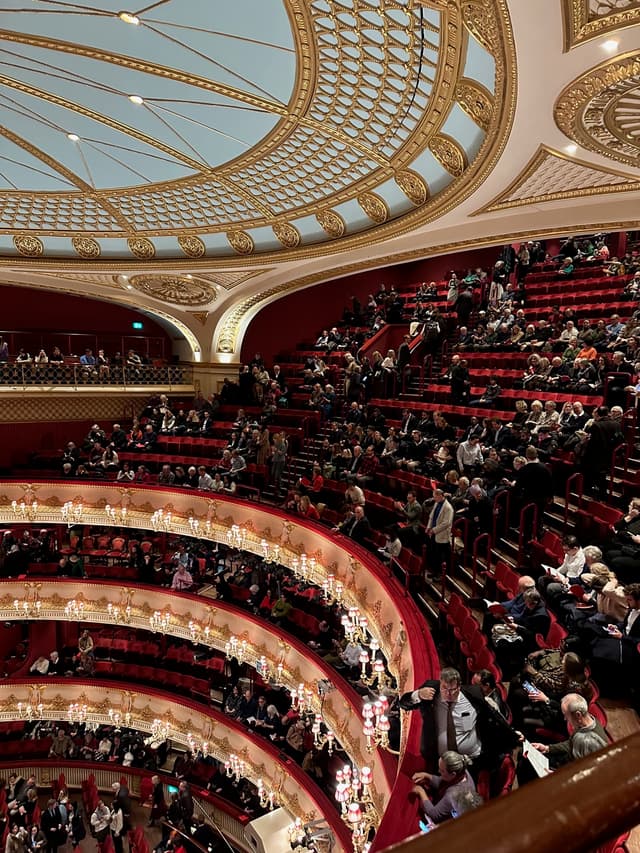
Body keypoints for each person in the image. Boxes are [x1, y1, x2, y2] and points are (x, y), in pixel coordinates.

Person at [399, 667, 519, 773]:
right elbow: (403, 703)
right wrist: (418, 694)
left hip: (471, 761)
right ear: (440, 683)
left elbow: (494, 715)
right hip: (438, 761)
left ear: (459, 686)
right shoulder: (431, 692)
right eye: (445, 688)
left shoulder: (474, 694)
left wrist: (514, 735)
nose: (449, 694)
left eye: (453, 689)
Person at [531, 694, 607, 768]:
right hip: (566, 758)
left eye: (566, 715)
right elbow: (570, 743)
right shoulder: (584, 722)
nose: (565, 719)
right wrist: (547, 748)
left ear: (578, 715)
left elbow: (583, 769)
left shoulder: (591, 743)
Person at [411, 751, 477, 823]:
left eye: (442, 771)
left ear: (453, 774)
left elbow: (434, 814)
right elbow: (444, 781)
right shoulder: (462, 770)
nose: (438, 771)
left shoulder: (453, 796)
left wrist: (421, 792)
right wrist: (427, 776)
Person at [425, 489, 454, 576]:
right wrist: (428, 527)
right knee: (434, 553)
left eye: (435, 497)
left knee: (440, 556)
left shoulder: (448, 507)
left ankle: (439, 574)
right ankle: (434, 571)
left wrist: (434, 530)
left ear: (440, 496)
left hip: (442, 535)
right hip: (434, 533)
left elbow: (446, 523)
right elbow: (431, 516)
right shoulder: (437, 503)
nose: (434, 499)